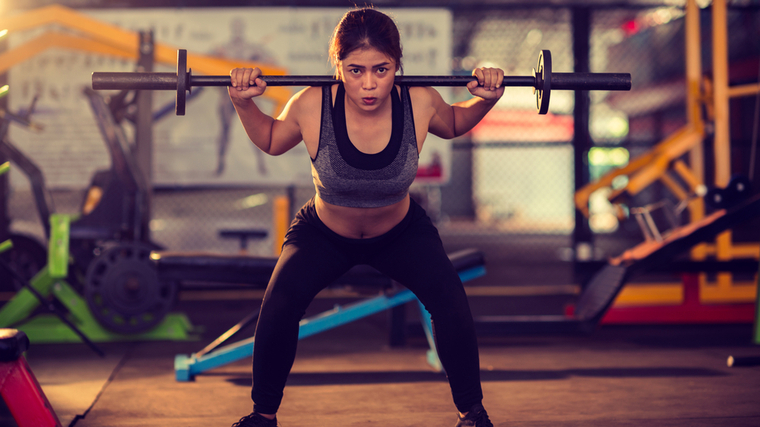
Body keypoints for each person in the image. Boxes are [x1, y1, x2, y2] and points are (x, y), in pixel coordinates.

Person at [227, 7, 503, 427]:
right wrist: (242, 102)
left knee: (450, 301)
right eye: (355, 70)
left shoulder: (419, 100)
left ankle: (472, 413)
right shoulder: (311, 103)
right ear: (337, 65)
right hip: (323, 234)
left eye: (382, 69)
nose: (369, 84)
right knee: (278, 306)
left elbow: (453, 121)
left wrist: (487, 99)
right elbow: (269, 138)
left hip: (401, 232)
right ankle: (262, 416)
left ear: (397, 65)